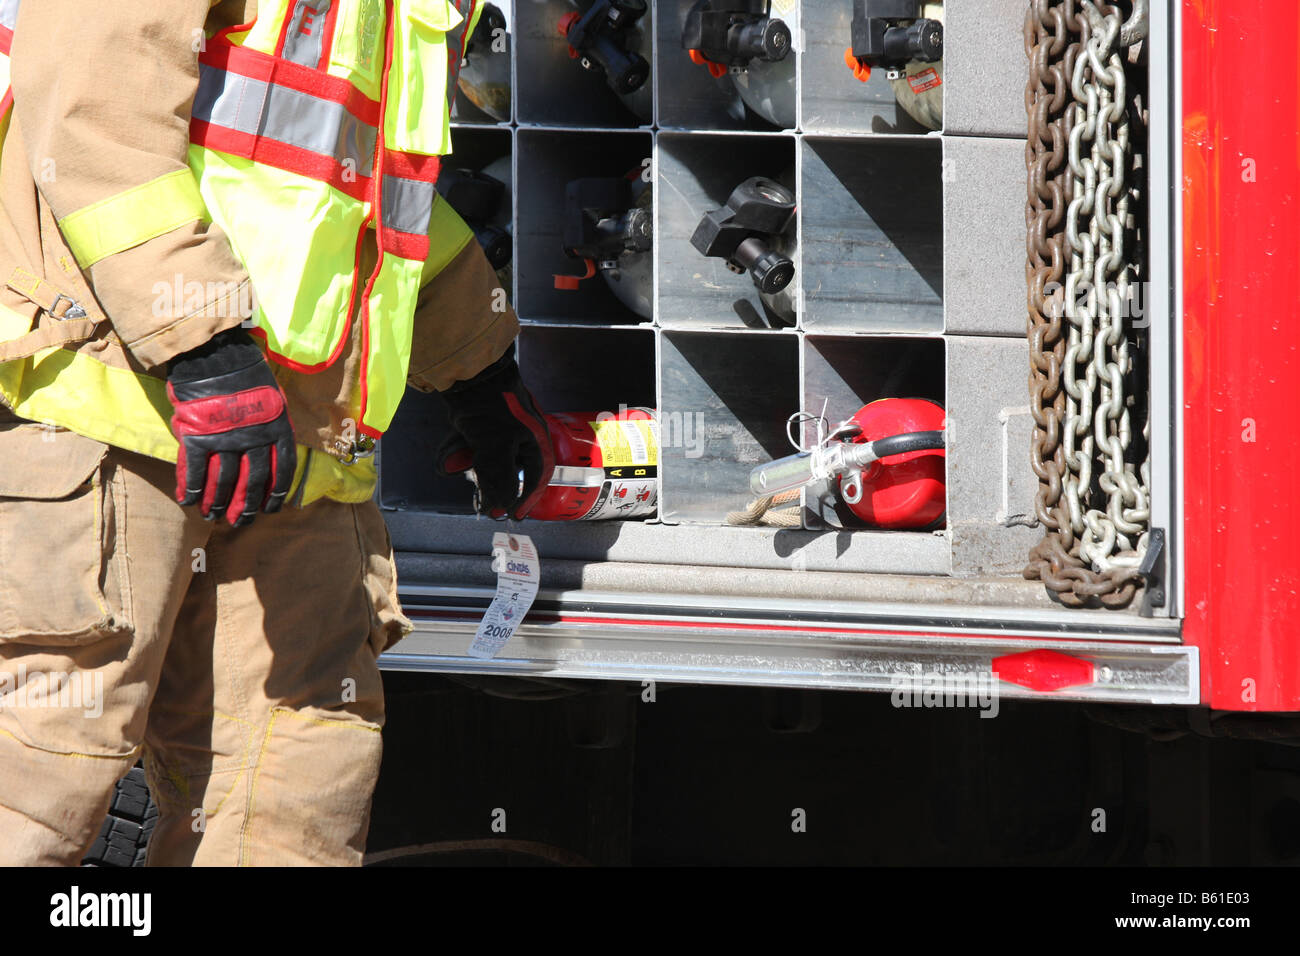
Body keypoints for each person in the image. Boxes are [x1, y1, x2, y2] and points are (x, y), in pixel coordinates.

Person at [0, 0, 552, 865]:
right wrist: (207, 346)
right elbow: (90, 116)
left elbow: (375, 202)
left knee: (291, 797)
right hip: (111, 414)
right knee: (37, 784)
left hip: (300, 449)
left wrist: (479, 369)